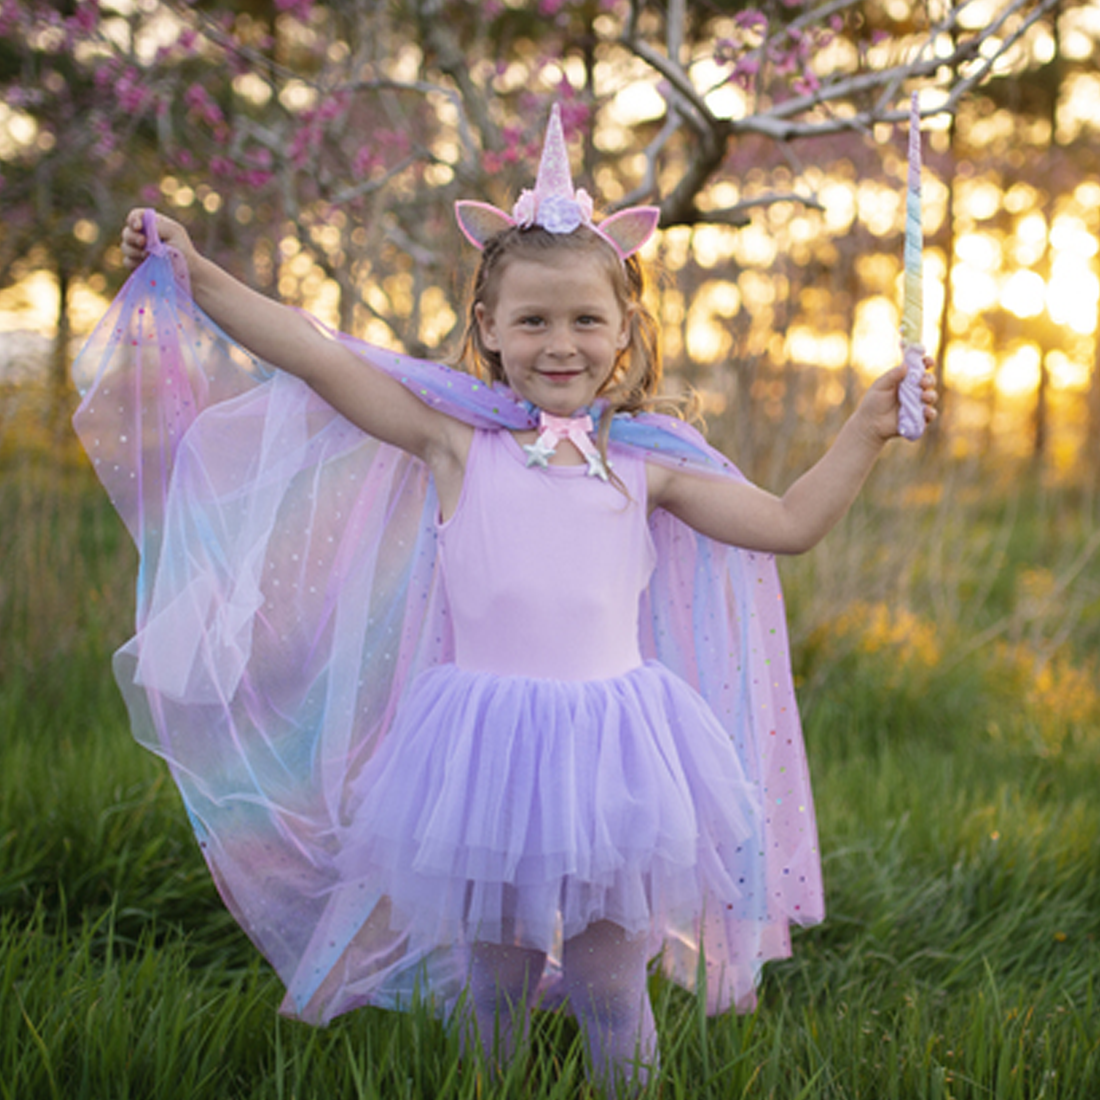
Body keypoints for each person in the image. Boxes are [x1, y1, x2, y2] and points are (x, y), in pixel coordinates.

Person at [81, 105, 935, 1096]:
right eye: (531, 319)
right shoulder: (455, 442)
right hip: (481, 751)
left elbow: (787, 521)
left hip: (615, 754)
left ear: (623, 331)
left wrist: (865, 429)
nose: (558, 342)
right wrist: (196, 270)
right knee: (495, 984)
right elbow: (313, 350)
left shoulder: (643, 462)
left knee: (612, 988)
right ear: (487, 326)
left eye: (584, 319)